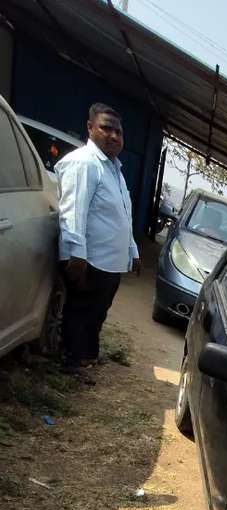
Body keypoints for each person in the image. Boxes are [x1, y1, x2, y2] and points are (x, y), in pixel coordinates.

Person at [55, 103, 140, 377]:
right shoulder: (84, 163)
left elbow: (123, 214)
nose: (114, 136)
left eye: (118, 131)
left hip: (108, 261)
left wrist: (133, 250)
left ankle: (86, 356)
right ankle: (71, 361)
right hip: (88, 259)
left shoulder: (114, 169)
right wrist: (76, 254)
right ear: (90, 128)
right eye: (106, 128)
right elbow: (73, 211)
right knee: (81, 310)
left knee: (97, 311)